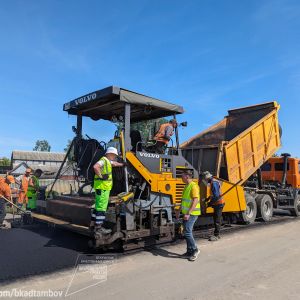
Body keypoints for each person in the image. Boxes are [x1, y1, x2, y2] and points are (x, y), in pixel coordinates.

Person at [91, 147, 124, 234]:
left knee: (97, 206)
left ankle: (93, 225)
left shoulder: (107, 161)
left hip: (102, 187)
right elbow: (95, 167)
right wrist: (101, 176)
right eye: (114, 155)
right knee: (102, 208)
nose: (114, 157)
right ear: (110, 154)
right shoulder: (103, 160)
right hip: (103, 188)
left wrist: (123, 164)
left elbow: (114, 164)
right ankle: (98, 228)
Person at [177, 170, 201, 261]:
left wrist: (188, 213)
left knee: (187, 232)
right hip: (187, 213)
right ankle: (189, 252)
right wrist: (179, 211)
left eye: (182, 176)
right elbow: (183, 201)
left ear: (187, 176)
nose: (181, 178)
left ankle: (195, 250)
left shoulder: (194, 186)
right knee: (186, 232)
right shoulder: (186, 186)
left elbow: (196, 200)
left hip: (192, 214)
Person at [201, 171, 225, 241]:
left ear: (207, 178)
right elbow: (213, 194)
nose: (205, 181)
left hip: (219, 203)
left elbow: (216, 196)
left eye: (205, 179)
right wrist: (207, 199)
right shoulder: (213, 182)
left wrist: (209, 203)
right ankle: (217, 234)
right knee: (216, 218)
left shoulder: (214, 183)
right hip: (217, 203)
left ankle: (216, 235)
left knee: (217, 220)